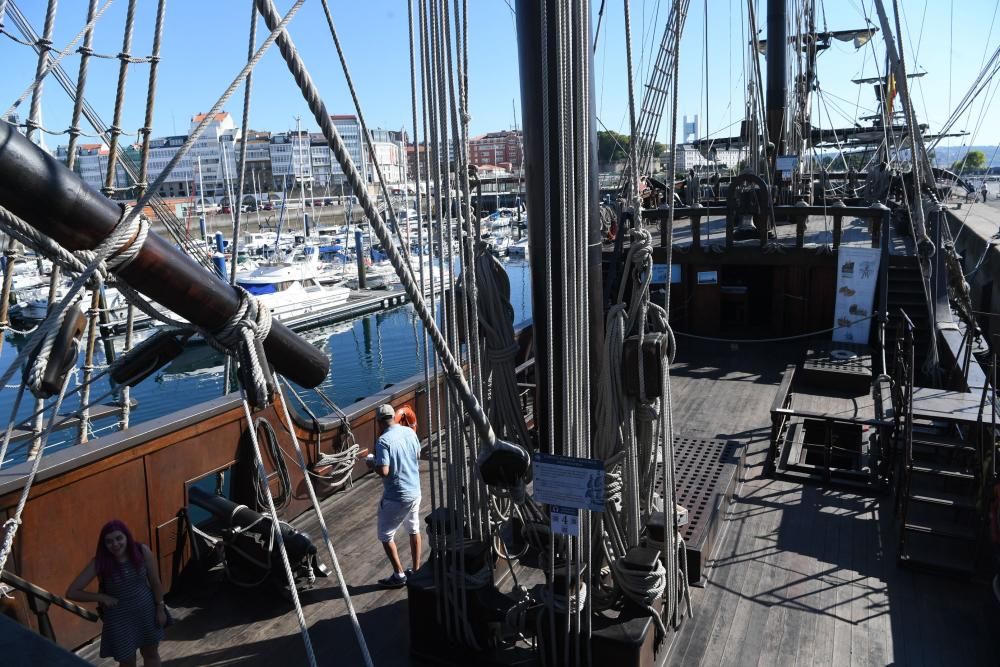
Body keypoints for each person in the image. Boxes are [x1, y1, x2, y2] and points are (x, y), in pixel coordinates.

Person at [67, 520, 166, 667]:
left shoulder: (142, 551)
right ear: (104, 544)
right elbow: (72, 592)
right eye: (109, 541)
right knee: (127, 662)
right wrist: (101, 597)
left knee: (151, 654)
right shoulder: (99, 563)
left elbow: (155, 581)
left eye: (119, 538)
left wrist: (160, 608)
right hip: (120, 619)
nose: (115, 544)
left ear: (127, 537)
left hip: (146, 612)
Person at [368, 403, 422, 588]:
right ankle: (416, 570)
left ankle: (399, 575)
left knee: (386, 535)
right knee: (414, 530)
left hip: (396, 497)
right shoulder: (410, 433)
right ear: (393, 417)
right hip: (415, 492)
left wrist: (371, 464)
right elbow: (416, 454)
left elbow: (383, 471)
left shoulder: (383, 441)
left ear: (379, 422)